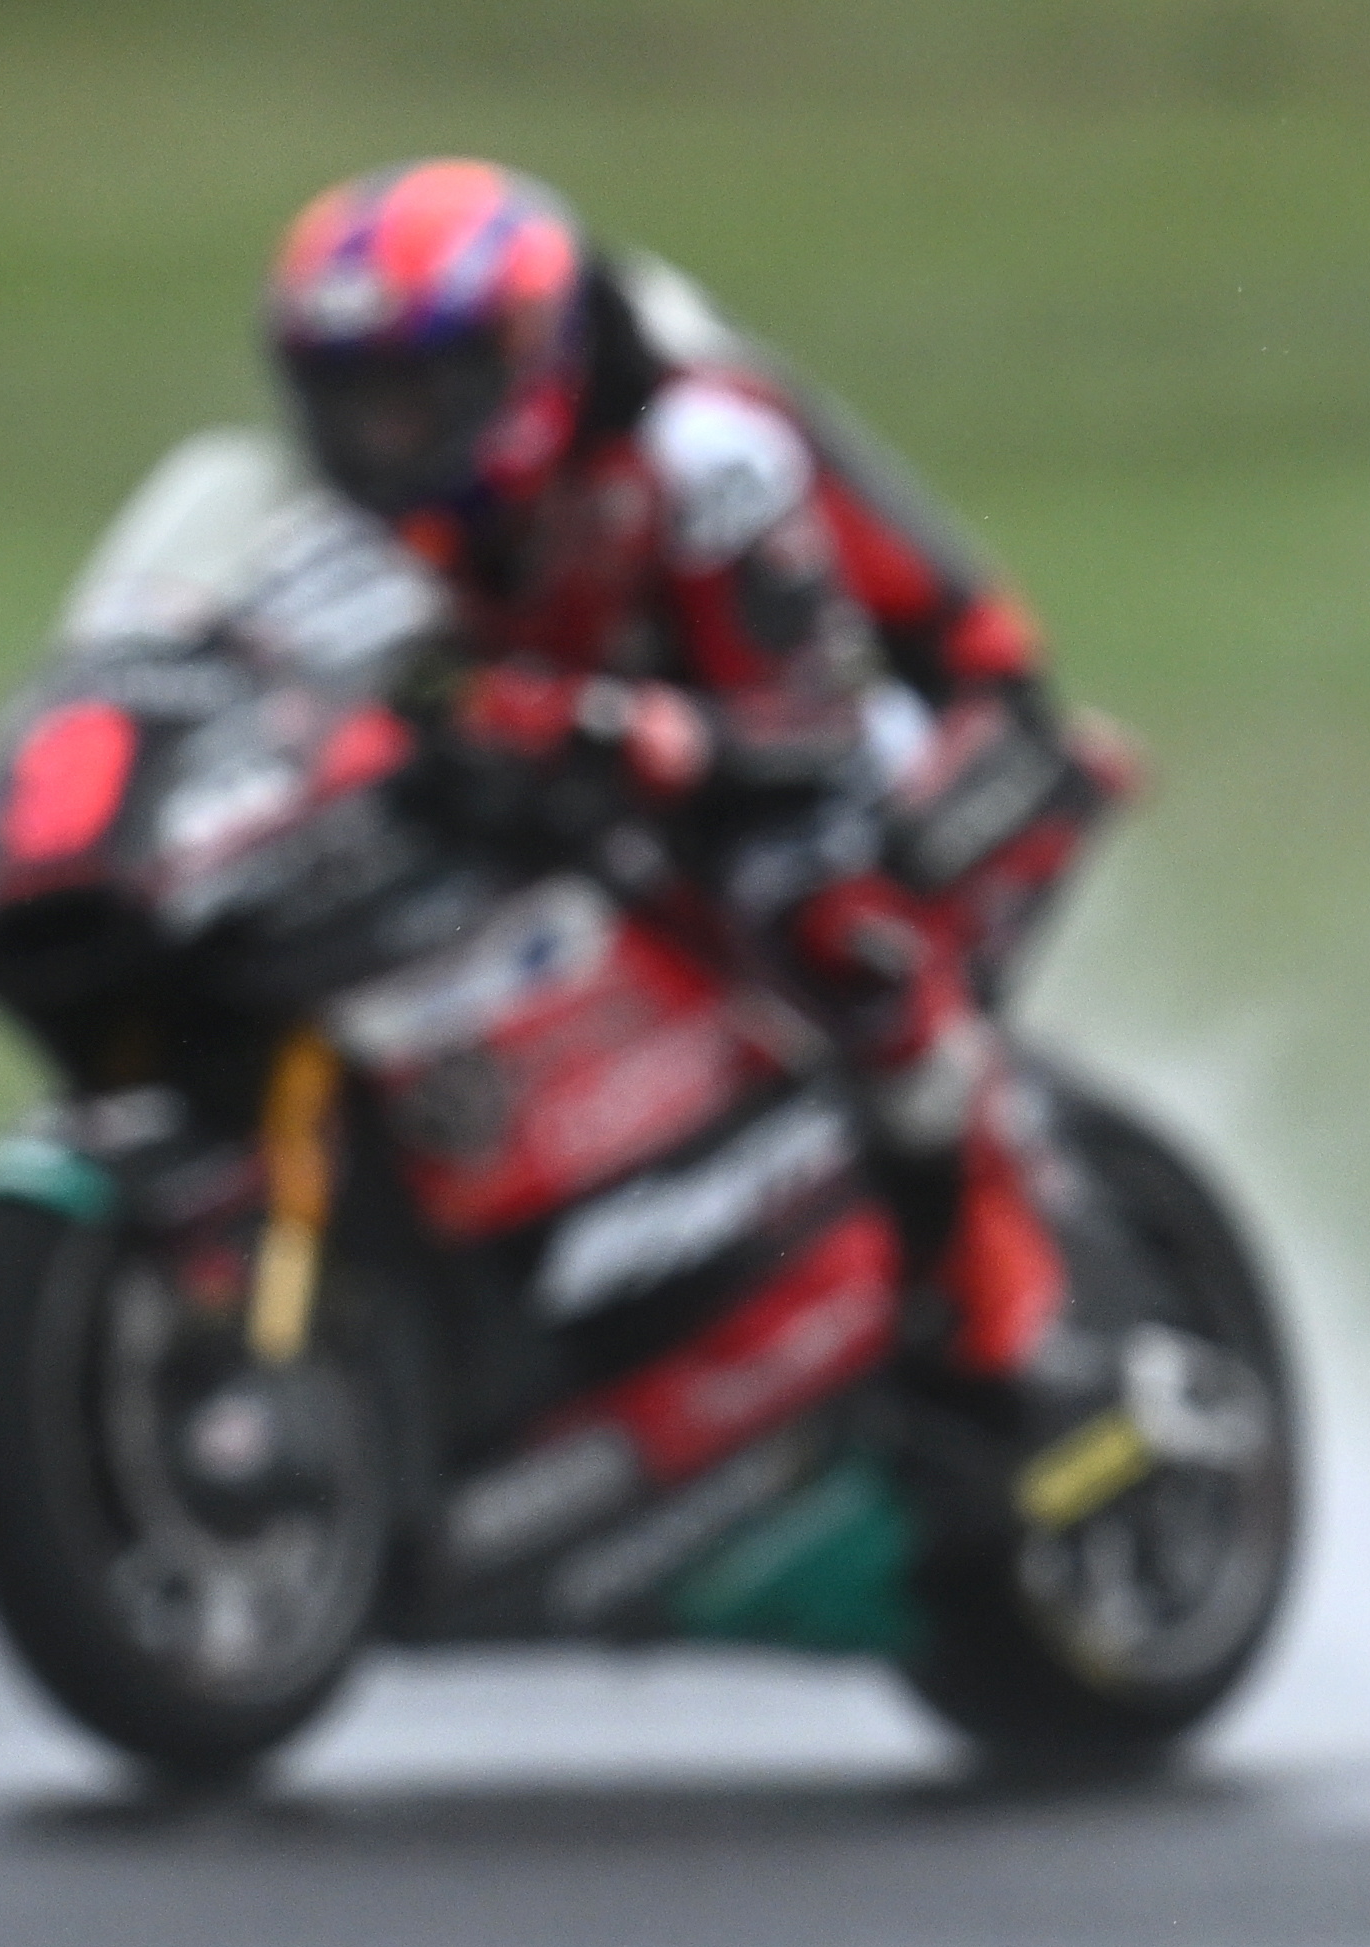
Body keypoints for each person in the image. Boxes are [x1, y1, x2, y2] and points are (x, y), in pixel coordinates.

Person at [261, 156, 1128, 1483]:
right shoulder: (394, 524)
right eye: (353, 403)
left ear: (523, 364)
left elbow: (810, 734)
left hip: (921, 725)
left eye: (416, 396)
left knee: (828, 911)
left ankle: (1021, 1325)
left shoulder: (701, 449)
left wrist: (592, 725)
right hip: (660, 737)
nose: (385, 438)